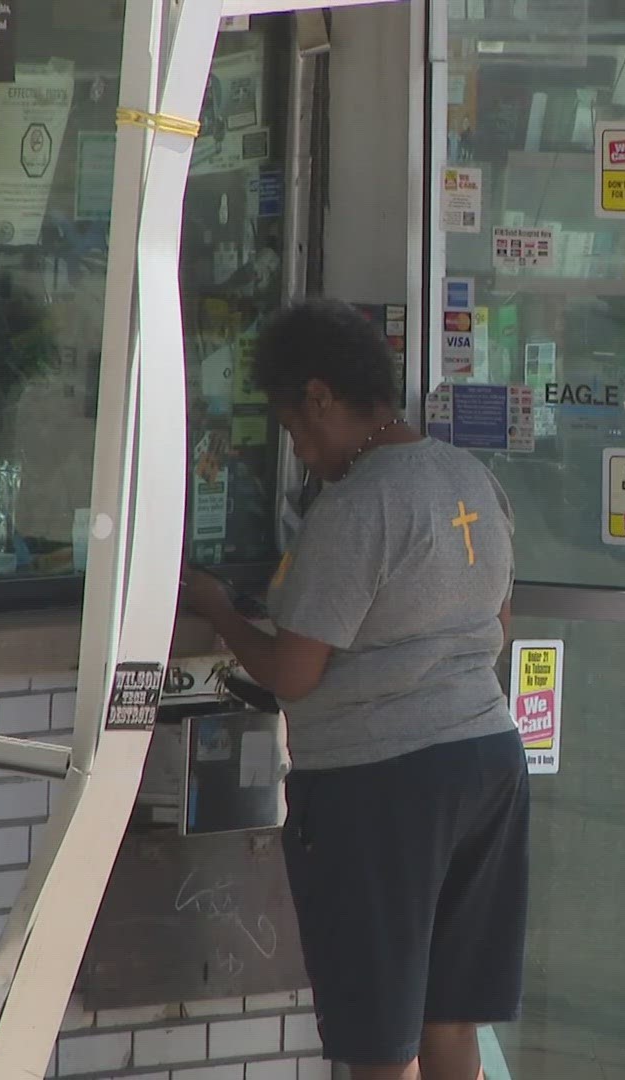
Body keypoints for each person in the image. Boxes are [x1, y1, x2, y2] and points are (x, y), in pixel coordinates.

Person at [181, 299, 526, 1080]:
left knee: (380, 1043)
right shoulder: (469, 476)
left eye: (296, 430)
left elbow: (295, 675)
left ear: (321, 397)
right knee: (450, 1023)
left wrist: (222, 613)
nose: (301, 452)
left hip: (382, 788)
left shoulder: (356, 506)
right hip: (489, 766)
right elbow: (497, 622)